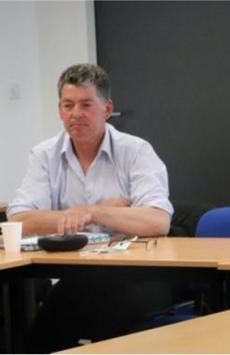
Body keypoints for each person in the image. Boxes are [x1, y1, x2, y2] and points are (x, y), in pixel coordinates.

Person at [7, 63, 175, 352]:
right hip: (74, 274)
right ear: (60, 109)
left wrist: (90, 211)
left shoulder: (136, 151)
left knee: (75, 302)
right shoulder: (45, 155)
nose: (75, 114)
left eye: (86, 104)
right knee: (62, 301)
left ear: (107, 109)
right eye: (67, 105)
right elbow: (19, 217)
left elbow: (158, 221)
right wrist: (108, 213)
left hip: (136, 275)